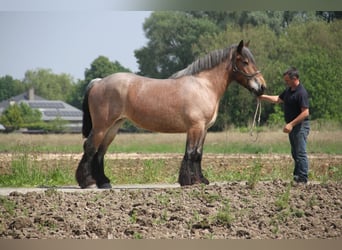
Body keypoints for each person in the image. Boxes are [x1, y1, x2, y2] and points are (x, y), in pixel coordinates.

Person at [258, 67, 310, 185]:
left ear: (295, 79)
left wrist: (291, 124)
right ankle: (297, 176)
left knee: (300, 152)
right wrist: (263, 97)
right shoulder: (288, 91)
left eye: (287, 81)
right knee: (295, 152)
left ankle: (302, 178)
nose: (285, 83)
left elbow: (305, 112)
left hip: (300, 126)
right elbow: (278, 99)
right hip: (293, 126)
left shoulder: (301, 93)